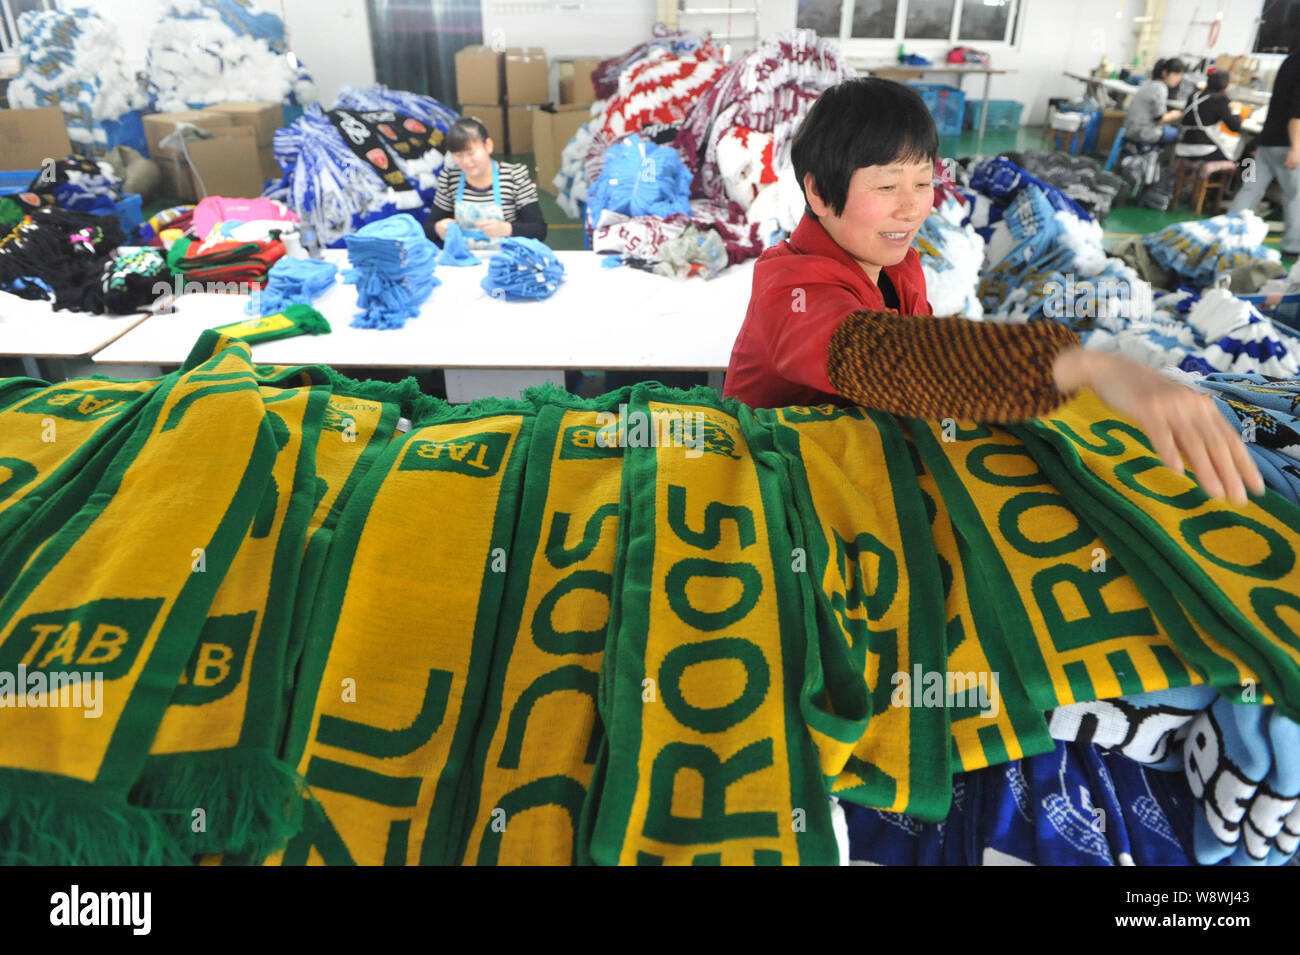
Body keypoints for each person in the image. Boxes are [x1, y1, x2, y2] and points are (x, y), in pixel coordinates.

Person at [724, 77, 1264, 506]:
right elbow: (879, 354)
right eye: (888, 186)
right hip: (770, 481)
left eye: (923, 181)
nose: (914, 208)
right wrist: (1081, 366)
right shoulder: (788, 289)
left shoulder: (899, 265)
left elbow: (926, 361)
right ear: (818, 190)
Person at [424, 117, 547, 250]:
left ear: (488, 146)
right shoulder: (450, 179)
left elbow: (539, 230)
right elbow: (428, 228)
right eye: (458, 155)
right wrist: (438, 229)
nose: (466, 161)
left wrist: (507, 229)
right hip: (463, 262)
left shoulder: (515, 177)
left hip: (507, 261)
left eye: (471, 153)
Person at [1230, 39, 1300, 255]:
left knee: (1251, 189)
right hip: (1287, 145)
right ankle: (1293, 246)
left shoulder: (1290, 60)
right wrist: (1296, 148)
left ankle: (1228, 235)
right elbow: (1296, 116)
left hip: (1264, 143)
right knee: (1296, 196)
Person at [1176, 70, 1243, 163]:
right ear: (1225, 86)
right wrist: (1236, 110)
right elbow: (1235, 127)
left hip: (1182, 148)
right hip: (1204, 151)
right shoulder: (1220, 100)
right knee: (1239, 150)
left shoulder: (1194, 96)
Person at [1126, 58, 1188, 148]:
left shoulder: (1148, 83)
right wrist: (1175, 114)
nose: (1179, 79)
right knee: (1180, 133)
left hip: (1130, 129)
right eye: (1176, 74)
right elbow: (1159, 118)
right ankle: (1162, 160)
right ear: (1165, 73)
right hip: (1143, 133)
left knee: (1169, 128)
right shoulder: (1160, 88)